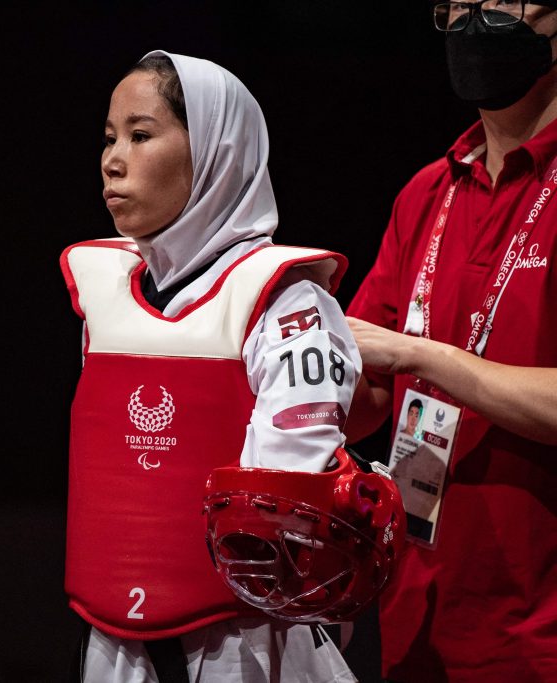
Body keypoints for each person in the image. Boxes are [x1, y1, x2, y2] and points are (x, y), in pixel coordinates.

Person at [60, 51, 361, 683]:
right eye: (110, 138)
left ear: (218, 152)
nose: (114, 160)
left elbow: (287, 499)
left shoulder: (285, 300)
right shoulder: (103, 292)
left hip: (247, 647)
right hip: (113, 650)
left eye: (142, 136)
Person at [345, 2, 557, 680]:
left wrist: (420, 355)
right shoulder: (426, 193)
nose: (473, 23)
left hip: (538, 637)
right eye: (459, 5)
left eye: (497, 3)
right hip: (416, 626)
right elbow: (370, 392)